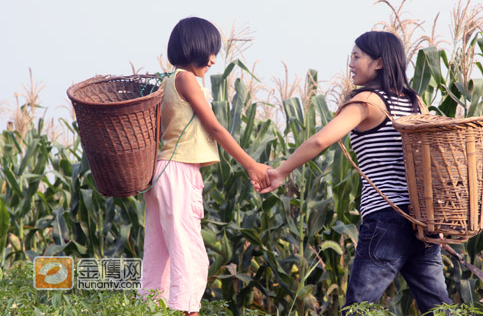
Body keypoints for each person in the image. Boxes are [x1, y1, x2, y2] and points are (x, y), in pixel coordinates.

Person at [258, 31, 452, 315]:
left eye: (357, 56)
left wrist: (281, 172)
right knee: (439, 308)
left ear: (378, 63)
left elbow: (320, 140)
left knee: (358, 308)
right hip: (420, 220)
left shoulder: (368, 102)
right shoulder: (415, 102)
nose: (350, 63)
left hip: (385, 218)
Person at [138, 17, 271, 315]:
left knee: (159, 255)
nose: (213, 59)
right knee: (191, 256)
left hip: (162, 171)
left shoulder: (166, 82)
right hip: (179, 171)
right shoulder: (186, 79)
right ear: (191, 47)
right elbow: (216, 129)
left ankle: (147, 309)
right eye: (209, 50)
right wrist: (251, 165)